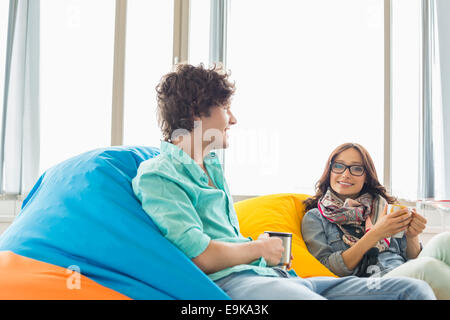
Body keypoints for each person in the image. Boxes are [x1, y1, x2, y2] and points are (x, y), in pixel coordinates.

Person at [132, 64, 435, 300]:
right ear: (198, 112)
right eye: (226, 108)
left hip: (275, 277)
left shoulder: (211, 167)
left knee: (412, 291)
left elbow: (229, 241)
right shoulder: (159, 174)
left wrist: (263, 251)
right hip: (232, 284)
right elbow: (200, 256)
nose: (233, 119)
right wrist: (259, 249)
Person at [302, 142, 450, 299]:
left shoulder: (382, 207)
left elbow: (412, 260)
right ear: (329, 170)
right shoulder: (315, 217)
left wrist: (412, 236)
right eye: (339, 166)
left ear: (366, 176)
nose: (346, 174)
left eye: (356, 168)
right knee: (428, 268)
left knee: (445, 240)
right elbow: (328, 269)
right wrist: (376, 234)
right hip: (370, 284)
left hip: (402, 272)